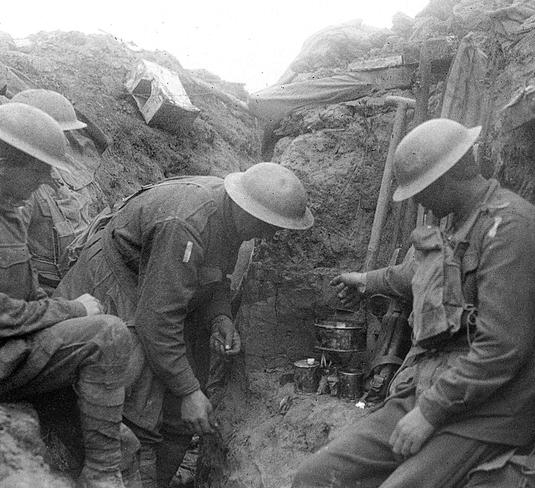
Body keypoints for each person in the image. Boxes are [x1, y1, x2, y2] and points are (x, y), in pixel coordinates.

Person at [292, 118, 535, 488]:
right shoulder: (456, 225)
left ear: (445, 177)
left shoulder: (510, 228)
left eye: (419, 189)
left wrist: (430, 413)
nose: (417, 199)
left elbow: (502, 348)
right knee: (317, 477)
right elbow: (415, 276)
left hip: (501, 405)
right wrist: (365, 281)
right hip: (438, 385)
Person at [56, 162, 314, 487]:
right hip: (119, 284)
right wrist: (188, 390)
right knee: (140, 405)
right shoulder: (185, 222)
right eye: (267, 224)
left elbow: (215, 276)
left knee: (184, 413)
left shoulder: (233, 216)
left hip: (165, 287)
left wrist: (220, 317)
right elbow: (157, 320)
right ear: (246, 207)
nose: (271, 234)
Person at [0, 102, 133, 488]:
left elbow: (27, 290)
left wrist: (63, 312)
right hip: (8, 353)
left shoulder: (12, 210)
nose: (45, 179)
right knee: (106, 333)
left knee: (127, 443)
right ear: (7, 162)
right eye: (39, 168)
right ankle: (102, 475)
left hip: (14, 351)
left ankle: (104, 466)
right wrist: (71, 309)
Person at [7, 89, 108, 294]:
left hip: (80, 272)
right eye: (59, 133)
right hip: (47, 290)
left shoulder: (62, 172)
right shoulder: (21, 188)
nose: (67, 141)